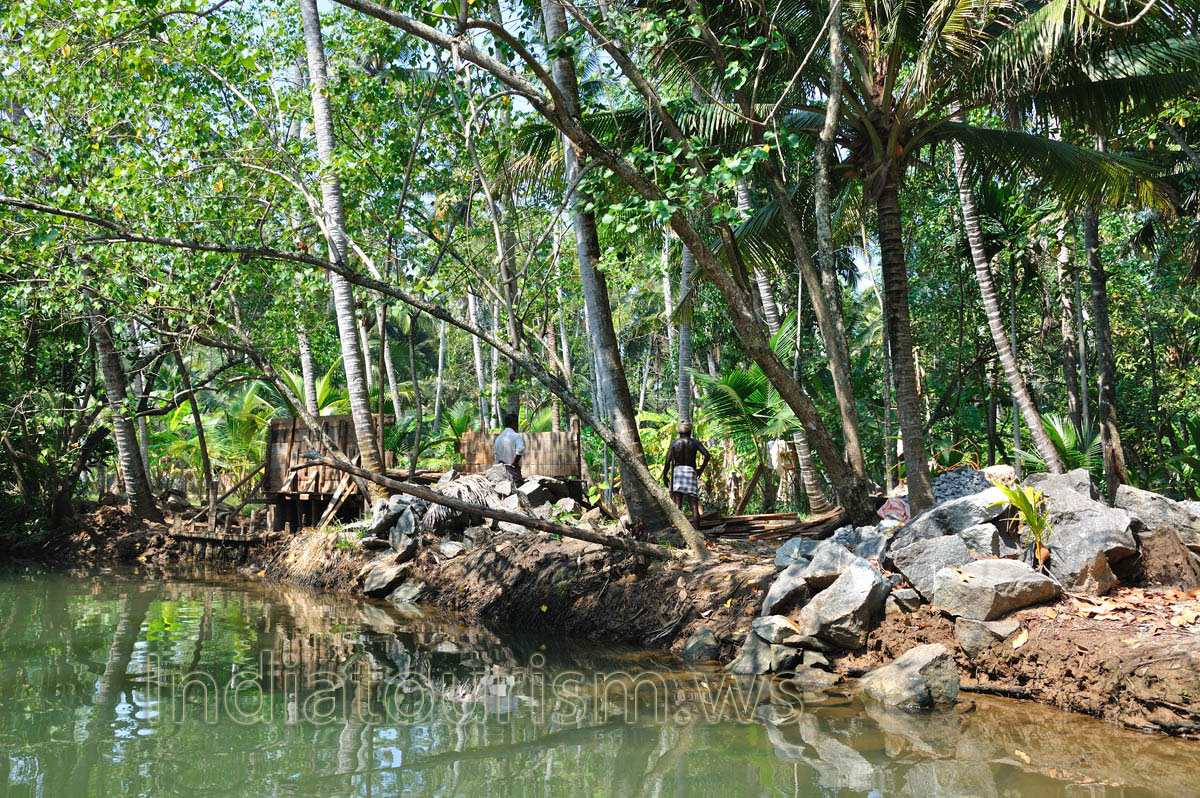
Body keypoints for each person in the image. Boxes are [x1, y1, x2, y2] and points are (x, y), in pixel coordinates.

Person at [661, 422, 711, 522]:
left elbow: (667, 462)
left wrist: (665, 475)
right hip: (690, 472)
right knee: (694, 506)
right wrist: (700, 470)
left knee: (677, 504)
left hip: (677, 473)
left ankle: (678, 530)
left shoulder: (674, 443)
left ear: (679, 432)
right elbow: (707, 455)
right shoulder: (695, 443)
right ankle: (697, 529)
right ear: (690, 431)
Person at [493, 412, 526, 482]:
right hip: (513, 471)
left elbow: (496, 456)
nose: (518, 425)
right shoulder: (516, 436)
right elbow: (520, 449)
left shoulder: (498, 438)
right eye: (517, 423)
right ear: (513, 423)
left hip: (500, 472)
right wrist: (513, 464)